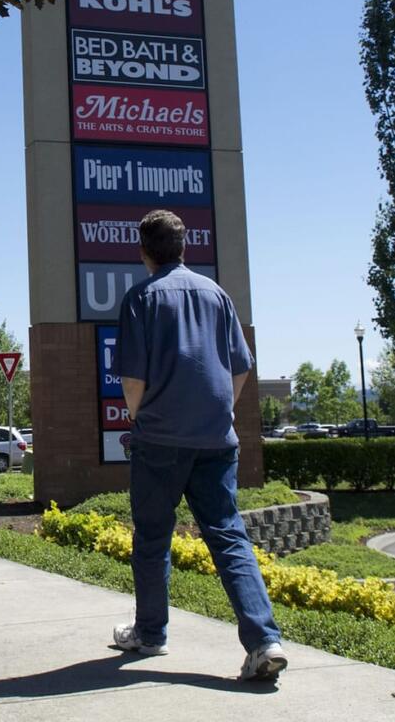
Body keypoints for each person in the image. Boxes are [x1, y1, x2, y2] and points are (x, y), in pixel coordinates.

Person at [113, 209, 287, 682]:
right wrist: (220, 412)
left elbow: (132, 380)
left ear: (144, 251)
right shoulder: (217, 295)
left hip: (159, 442)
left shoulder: (140, 299)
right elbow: (240, 368)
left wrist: (139, 416)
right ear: (184, 247)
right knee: (228, 536)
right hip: (216, 441)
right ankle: (264, 640)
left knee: (152, 538)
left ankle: (150, 634)